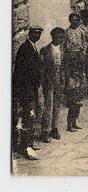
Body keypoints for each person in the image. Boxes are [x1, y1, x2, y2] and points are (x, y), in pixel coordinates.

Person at [12, 26, 44, 160]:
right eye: (35, 33)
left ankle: (29, 143)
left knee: (31, 116)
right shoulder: (25, 49)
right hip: (26, 89)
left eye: (39, 34)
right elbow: (22, 71)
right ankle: (25, 147)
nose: (37, 36)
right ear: (29, 34)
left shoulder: (33, 47)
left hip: (32, 88)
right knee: (27, 117)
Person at [40, 27, 65, 143]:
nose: (59, 39)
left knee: (57, 105)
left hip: (59, 79)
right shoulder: (45, 50)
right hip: (49, 80)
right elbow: (43, 68)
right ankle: (45, 130)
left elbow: (65, 65)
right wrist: (44, 81)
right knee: (48, 105)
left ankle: (54, 128)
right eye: (57, 37)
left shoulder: (63, 49)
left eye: (61, 37)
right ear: (52, 37)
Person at [63, 12, 86, 132]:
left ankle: (75, 121)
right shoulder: (67, 32)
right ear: (70, 21)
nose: (75, 22)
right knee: (72, 97)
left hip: (79, 61)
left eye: (77, 20)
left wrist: (82, 57)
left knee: (79, 97)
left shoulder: (81, 31)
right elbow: (64, 49)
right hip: (71, 61)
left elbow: (84, 45)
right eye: (73, 20)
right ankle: (69, 124)